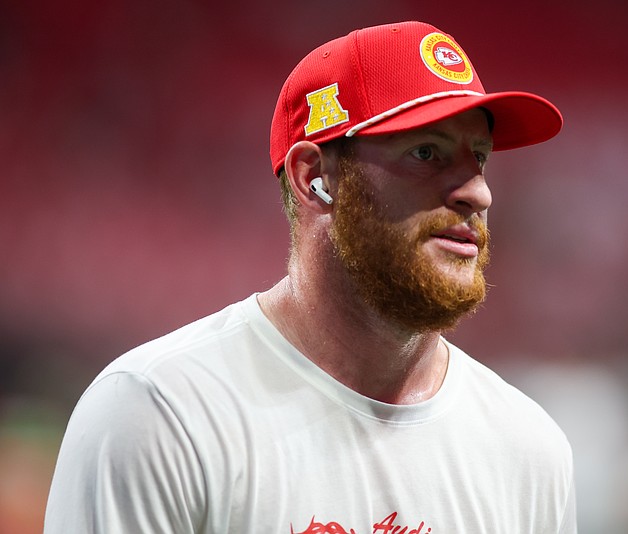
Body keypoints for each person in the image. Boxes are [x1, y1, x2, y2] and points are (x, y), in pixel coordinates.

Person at [45, 21, 576, 533]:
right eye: (426, 153)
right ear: (314, 178)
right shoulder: (161, 413)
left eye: (478, 158)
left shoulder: (528, 451)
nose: (477, 193)